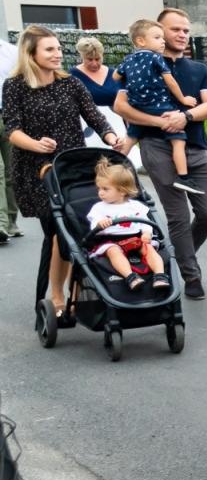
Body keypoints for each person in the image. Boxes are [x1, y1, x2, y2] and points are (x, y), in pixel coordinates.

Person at [3, 26, 133, 320]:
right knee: (58, 233)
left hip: (73, 166)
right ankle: (58, 295)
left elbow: (94, 115)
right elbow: (12, 129)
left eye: (59, 48)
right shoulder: (15, 86)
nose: (58, 54)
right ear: (31, 53)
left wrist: (111, 137)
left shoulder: (70, 83)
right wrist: (36, 144)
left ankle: (79, 292)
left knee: (78, 229)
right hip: (37, 170)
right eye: (49, 49)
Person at [114, 8, 207, 300]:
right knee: (177, 216)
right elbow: (120, 107)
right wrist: (160, 122)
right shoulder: (140, 63)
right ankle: (192, 275)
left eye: (186, 30)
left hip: (196, 146)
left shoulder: (198, 69)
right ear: (156, 31)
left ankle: (176, 254)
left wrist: (184, 117)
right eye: (176, 30)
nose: (183, 35)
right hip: (157, 146)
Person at [119, 19, 201, 194]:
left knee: (130, 139)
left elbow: (116, 79)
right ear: (141, 40)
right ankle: (183, 177)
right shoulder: (156, 58)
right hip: (160, 107)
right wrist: (183, 99)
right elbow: (170, 81)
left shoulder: (128, 60)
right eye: (157, 37)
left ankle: (112, 167)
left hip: (137, 108)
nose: (163, 41)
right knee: (178, 141)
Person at [86, 158, 168, 291]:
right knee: (113, 251)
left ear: (122, 191)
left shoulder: (135, 206)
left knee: (149, 248)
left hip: (135, 238)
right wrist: (100, 224)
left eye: (105, 189)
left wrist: (146, 233)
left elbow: (145, 222)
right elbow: (93, 225)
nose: (100, 192)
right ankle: (131, 277)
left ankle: (160, 275)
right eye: (99, 188)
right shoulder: (99, 208)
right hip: (111, 240)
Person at [67, 37, 139, 168]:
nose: (94, 63)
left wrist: (130, 130)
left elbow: (127, 102)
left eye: (98, 59)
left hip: (118, 125)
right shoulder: (72, 76)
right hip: (87, 128)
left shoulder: (115, 74)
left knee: (118, 166)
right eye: (89, 59)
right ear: (81, 56)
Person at [0, 35, 19, 242]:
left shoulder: (12, 52)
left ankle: (12, 221)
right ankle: (1, 224)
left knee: (11, 171)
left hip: (9, 117)